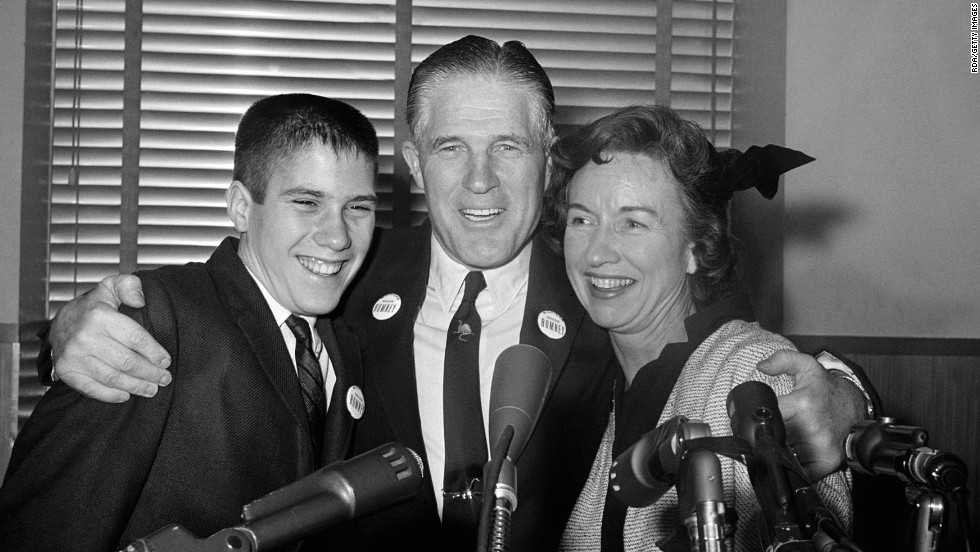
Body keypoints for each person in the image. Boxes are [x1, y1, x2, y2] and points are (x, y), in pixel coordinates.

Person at [34, 36, 868, 552]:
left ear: (549, 160)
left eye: (508, 145)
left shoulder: (601, 294)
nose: (479, 183)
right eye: (449, 147)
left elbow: (725, 355)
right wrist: (72, 327)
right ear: (408, 158)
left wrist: (842, 394)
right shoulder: (343, 280)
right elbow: (233, 292)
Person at [0, 94, 379, 551]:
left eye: (358, 207)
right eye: (306, 201)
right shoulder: (154, 320)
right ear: (241, 206)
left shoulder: (344, 345)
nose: (337, 236)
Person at [547, 105, 851, 551]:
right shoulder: (604, 385)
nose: (596, 253)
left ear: (695, 247)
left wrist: (848, 393)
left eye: (633, 222)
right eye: (581, 219)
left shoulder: (748, 373)